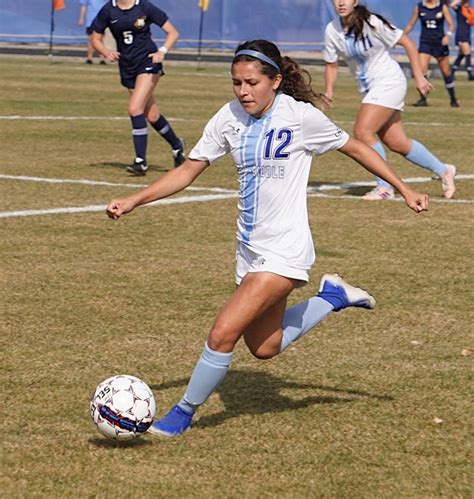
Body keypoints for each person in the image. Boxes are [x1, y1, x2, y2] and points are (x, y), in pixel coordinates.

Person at [106, 40, 429, 437]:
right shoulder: (228, 117)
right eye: (236, 82)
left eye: (252, 82)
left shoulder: (302, 117)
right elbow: (187, 171)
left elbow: (356, 148)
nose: (243, 91)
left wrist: (401, 186)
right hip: (250, 251)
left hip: (286, 249)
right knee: (264, 347)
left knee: (222, 332)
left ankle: (180, 416)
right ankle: (334, 296)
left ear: (275, 81)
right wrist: (135, 199)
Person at [323, 0, 456, 201]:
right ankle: (444, 170)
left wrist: (419, 76)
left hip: (389, 81)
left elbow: (408, 43)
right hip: (369, 89)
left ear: (356, 1)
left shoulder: (372, 22)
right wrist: (329, 90)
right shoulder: (332, 29)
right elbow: (331, 64)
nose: (341, 2)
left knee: (362, 131)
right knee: (397, 143)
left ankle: (384, 188)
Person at [91, 0, 185, 175]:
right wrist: (105, 52)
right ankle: (177, 145)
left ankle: (140, 162)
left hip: (148, 62)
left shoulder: (144, 6)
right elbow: (95, 37)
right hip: (127, 66)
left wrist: (161, 52)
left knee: (135, 109)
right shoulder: (109, 10)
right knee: (152, 115)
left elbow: (173, 33)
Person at [404, 0, 460, 107]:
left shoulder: (442, 7)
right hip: (425, 43)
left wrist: (448, 35)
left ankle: (453, 99)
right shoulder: (420, 7)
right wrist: (401, 37)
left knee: (446, 72)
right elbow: (411, 24)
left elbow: (451, 24)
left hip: (440, 43)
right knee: (422, 70)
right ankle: (423, 99)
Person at [78, 0, 107, 64]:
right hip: (90, 20)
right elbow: (83, 6)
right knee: (91, 40)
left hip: (101, 20)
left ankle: (102, 59)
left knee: (100, 39)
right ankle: (89, 58)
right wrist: (81, 18)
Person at [450, 0, 474, 80]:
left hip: (467, 34)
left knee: (461, 55)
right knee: (467, 54)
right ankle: (470, 74)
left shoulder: (470, 11)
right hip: (461, 34)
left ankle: (452, 72)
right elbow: (452, 5)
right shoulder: (460, 9)